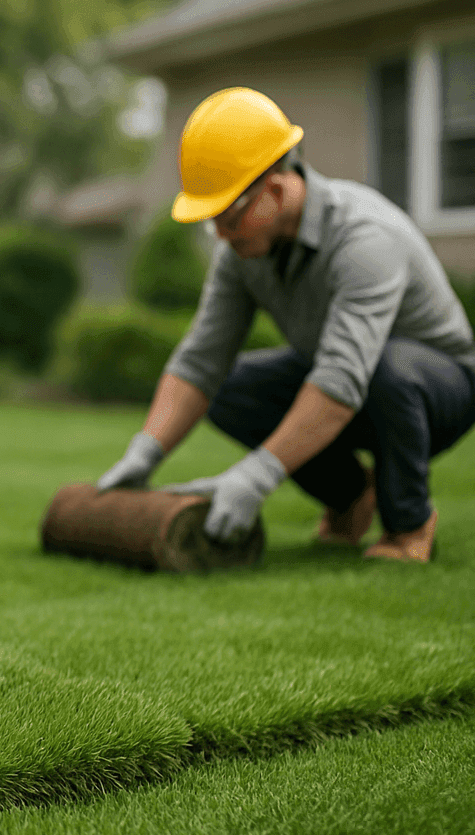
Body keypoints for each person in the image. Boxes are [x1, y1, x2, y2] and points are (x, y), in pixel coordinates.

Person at [97, 87, 475, 563]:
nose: (220, 235)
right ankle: (350, 496)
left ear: (274, 191)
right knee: (232, 387)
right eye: (212, 222)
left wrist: (257, 476)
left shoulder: (364, 238)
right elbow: (201, 360)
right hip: (352, 382)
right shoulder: (241, 253)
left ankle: (409, 527)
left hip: (438, 388)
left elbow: (342, 376)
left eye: (228, 218)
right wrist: (145, 451)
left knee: (386, 368)